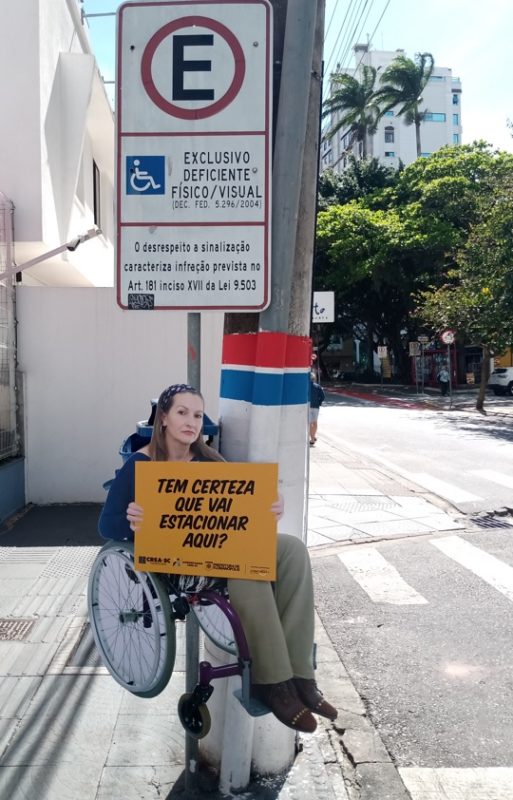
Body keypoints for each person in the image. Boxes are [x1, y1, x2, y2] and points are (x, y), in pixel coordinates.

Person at [98, 383, 337, 734]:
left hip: (219, 546)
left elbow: (241, 504)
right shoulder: (141, 465)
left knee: (292, 551)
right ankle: (273, 683)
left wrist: (270, 506)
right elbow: (107, 524)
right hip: (177, 563)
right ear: (163, 417)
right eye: (182, 412)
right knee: (246, 571)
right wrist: (134, 519)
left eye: (197, 415)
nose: (191, 422)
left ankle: (301, 674)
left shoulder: (209, 459)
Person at [309, 373, 325, 445]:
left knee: (309, 423)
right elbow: (323, 397)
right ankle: (313, 437)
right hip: (316, 406)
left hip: (308, 406)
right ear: (314, 378)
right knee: (314, 422)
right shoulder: (318, 386)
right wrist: (319, 402)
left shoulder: (305, 386)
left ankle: (312, 437)